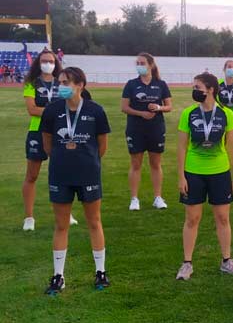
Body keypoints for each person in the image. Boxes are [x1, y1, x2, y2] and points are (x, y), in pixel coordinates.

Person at [40, 67, 111, 293]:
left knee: (94, 221)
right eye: (60, 82)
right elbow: (47, 144)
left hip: (88, 173)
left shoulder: (95, 111)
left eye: (66, 82)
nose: (62, 86)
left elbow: (101, 146)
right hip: (60, 174)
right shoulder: (51, 111)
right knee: (61, 225)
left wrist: (85, 160)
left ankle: (100, 272)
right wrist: (64, 159)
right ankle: (58, 276)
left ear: (80, 84)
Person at [176, 72, 233, 280]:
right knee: (192, 218)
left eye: (198, 87)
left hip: (220, 172)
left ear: (210, 89)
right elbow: (181, 147)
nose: (195, 91)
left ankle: (226, 260)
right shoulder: (188, 113)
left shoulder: (227, 114)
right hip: (194, 172)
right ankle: (187, 263)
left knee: (223, 218)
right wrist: (181, 176)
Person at [21, 49, 78, 231]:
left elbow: (70, 104)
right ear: (39, 63)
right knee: (32, 175)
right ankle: (29, 217)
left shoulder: (62, 82)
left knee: (64, 174)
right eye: (45, 61)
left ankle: (67, 214)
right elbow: (32, 109)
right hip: (37, 131)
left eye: (51, 61)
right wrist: (53, 111)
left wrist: (48, 110)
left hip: (59, 132)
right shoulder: (31, 83)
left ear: (56, 63)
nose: (48, 64)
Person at [121, 53, 172, 211]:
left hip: (156, 128)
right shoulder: (131, 84)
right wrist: (141, 113)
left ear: (151, 65)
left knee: (155, 163)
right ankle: (134, 199)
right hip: (135, 128)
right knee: (136, 163)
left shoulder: (161, 84)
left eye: (142, 63)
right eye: (137, 63)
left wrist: (158, 108)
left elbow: (169, 106)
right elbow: (124, 107)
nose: (139, 65)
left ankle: (158, 197)